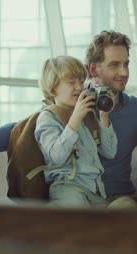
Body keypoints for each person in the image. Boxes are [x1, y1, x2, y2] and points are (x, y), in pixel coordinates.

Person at [0, 30, 137, 207]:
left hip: (112, 197)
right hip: (73, 191)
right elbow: (24, 127)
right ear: (93, 70)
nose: (124, 72)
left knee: (124, 209)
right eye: (114, 65)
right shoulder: (72, 104)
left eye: (126, 64)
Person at [34, 55, 116, 207]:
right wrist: (75, 119)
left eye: (81, 81)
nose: (79, 87)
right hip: (68, 188)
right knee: (77, 217)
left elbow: (110, 153)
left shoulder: (86, 114)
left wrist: (104, 116)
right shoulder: (48, 118)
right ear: (53, 89)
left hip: (95, 190)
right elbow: (57, 156)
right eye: (72, 82)